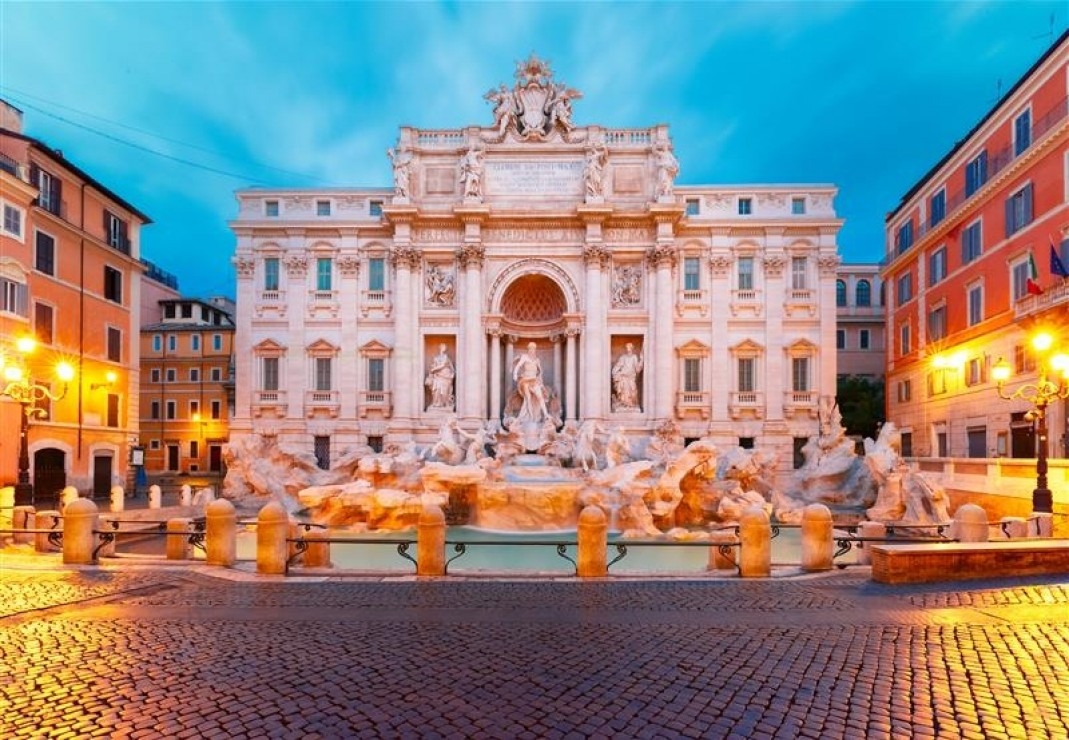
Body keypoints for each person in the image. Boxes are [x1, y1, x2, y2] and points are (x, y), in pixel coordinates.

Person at [512, 342, 549, 423]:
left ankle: (546, 414)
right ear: (528, 349)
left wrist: (540, 379)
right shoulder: (525, 357)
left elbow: (540, 371)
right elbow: (518, 366)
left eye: (533, 348)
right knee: (528, 399)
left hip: (534, 380)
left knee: (540, 396)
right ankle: (531, 417)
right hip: (525, 380)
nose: (532, 350)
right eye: (530, 348)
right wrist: (515, 374)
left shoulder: (537, 359)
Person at [611, 343, 643, 411]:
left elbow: (637, 369)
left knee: (632, 391)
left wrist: (641, 361)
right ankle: (624, 404)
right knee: (623, 391)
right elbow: (618, 365)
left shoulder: (634, 357)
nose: (627, 348)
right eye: (626, 347)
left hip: (631, 377)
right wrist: (614, 371)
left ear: (632, 348)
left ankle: (631, 405)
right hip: (623, 376)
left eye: (629, 347)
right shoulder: (623, 357)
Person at [425, 344, 455, 410]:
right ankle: (436, 403)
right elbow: (433, 365)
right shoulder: (436, 357)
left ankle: (444, 404)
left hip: (445, 375)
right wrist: (432, 370)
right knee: (436, 390)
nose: (443, 348)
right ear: (440, 347)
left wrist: (434, 369)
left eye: (444, 347)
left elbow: (443, 365)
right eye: (442, 347)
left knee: (444, 391)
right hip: (437, 376)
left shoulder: (446, 357)